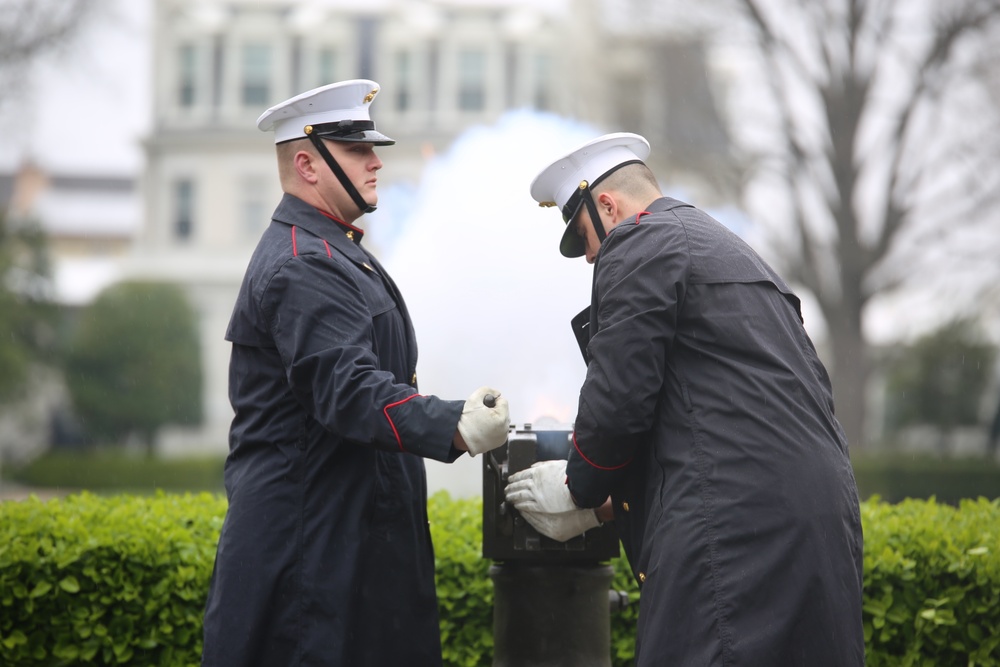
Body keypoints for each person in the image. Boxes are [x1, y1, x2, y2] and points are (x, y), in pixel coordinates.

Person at [505, 133, 864, 666]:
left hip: (735, 531)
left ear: (607, 205)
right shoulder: (730, 248)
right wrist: (612, 505)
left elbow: (620, 397)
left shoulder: (639, 241)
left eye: (584, 238)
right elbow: (716, 415)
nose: (588, 258)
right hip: (817, 520)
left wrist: (578, 488)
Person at [201, 79, 511, 667]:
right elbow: (348, 388)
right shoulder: (304, 264)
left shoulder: (331, 250)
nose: (375, 162)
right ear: (306, 164)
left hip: (337, 542)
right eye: (356, 150)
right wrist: (454, 424)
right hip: (307, 554)